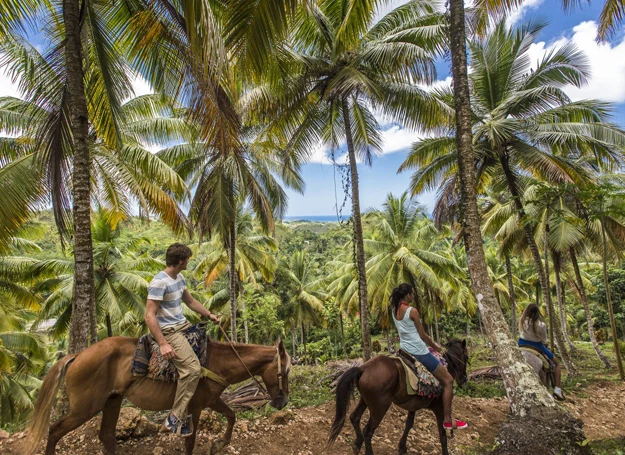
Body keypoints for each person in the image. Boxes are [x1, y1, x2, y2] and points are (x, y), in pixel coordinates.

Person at [145, 243, 221, 437]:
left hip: (183, 325)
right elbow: (149, 316)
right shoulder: (159, 282)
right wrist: (163, 343)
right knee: (193, 369)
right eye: (187, 259)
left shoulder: (179, 277)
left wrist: (209, 314)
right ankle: (175, 417)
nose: (188, 262)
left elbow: (190, 301)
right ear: (181, 261)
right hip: (170, 331)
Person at [391, 283, 468, 430]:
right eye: (412, 293)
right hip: (420, 351)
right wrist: (435, 345)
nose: (413, 296)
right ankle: (447, 420)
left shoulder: (394, 311)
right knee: (448, 380)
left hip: (405, 350)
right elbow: (422, 335)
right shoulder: (412, 311)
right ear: (407, 295)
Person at [518, 304, 565, 400]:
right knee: (556, 364)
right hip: (536, 346)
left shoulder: (522, 321)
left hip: (521, 344)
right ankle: (557, 390)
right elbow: (544, 340)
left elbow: (521, 333)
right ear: (537, 313)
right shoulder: (541, 325)